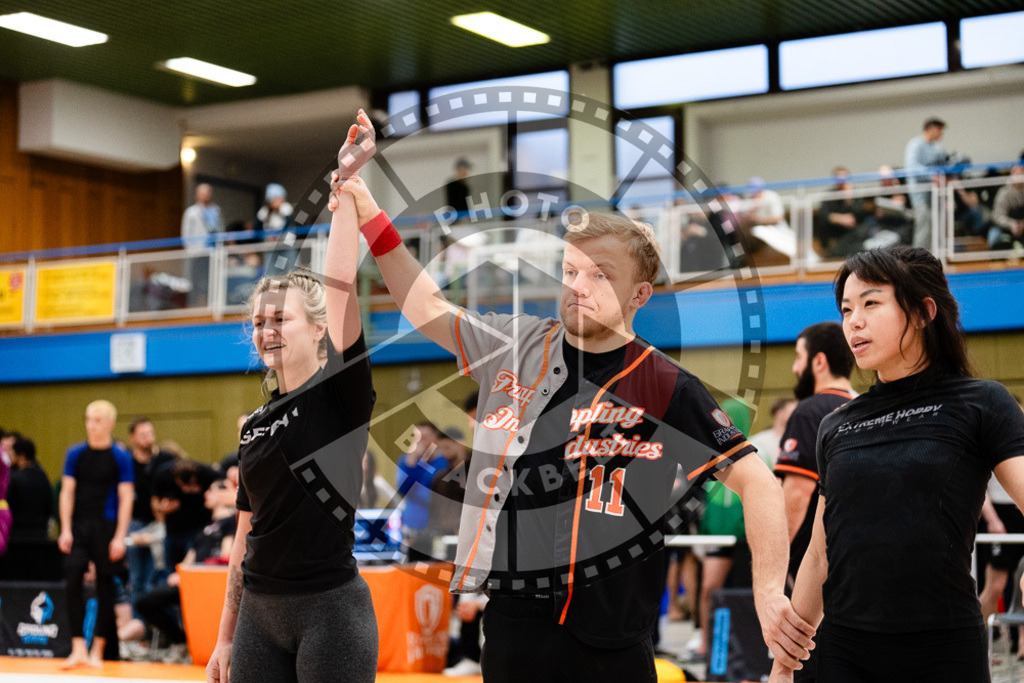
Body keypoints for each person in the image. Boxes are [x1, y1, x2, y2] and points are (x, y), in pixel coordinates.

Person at [330, 127, 812, 681]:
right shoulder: (514, 346)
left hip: (611, 639)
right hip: (514, 625)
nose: (578, 286)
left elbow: (758, 481)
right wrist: (367, 208)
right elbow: (425, 306)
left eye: (600, 276)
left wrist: (768, 591)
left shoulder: (666, 385)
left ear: (639, 295)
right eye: (570, 271)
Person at [770, 245, 1024, 682]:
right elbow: (820, 554)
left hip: (944, 651)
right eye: (846, 309)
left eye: (870, 303)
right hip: (845, 651)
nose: (854, 321)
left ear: (924, 312)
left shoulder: (982, 403)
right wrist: (783, 664)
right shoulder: (836, 424)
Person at [207, 110, 378, 683]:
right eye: (258, 322)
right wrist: (225, 635)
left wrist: (346, 189)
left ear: (319, 328)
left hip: (331, 612)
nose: (266, 330)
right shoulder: (253, 425)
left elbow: (340, 285)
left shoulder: (340, 395)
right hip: (258, 617)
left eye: (279, 318)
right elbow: (244, 535)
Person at [59, 400, 134, 669]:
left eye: (98, 420)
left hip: (107, 526)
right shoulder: (75, 453)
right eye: (89, 419)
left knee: (105, 585)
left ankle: (97, 650)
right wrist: (65, 529)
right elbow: (67, 492)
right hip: (79, 526)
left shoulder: (120, 456)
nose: (93, 425)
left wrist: (120, 536)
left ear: (110, 423)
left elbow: (126, 497)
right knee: (72, 579)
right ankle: (78, 646)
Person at [137, 477, 237, 664]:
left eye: (211, 490)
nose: (206, 494)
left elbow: (227, 555)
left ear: (224, 493)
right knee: (145, 601)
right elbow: (189, 558)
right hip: (191, 582)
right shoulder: (206, 527)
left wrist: (196, 573)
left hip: (210, 582)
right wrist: (182, 573)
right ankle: (181, 641)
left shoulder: (231, 522)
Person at [977, 396, 1024, 623]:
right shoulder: (991, 438)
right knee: (996, 585)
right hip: (999, 515)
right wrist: (992, 519)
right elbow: (979, 486)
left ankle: (1022, 640)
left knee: (1021, 584)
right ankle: (979, 635)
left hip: (1019, 510)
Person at [125, 417, 173, 607]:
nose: (148, 438)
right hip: (135, 522)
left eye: (150, 433)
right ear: (132, 438)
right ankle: (138, 622)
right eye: (143, 434)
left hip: (160, 524)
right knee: (136, 578)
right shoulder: (127, 462)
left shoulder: (165, 459)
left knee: (157, 575)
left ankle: (156, 620)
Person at [3, 435, 56, 580]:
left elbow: (7, 508)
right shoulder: (43, 477)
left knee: (16, 578)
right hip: (40, 536)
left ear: (21, 455)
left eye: (12, 452)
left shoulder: (14, 479)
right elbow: (49, 507)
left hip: (17, 538)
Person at [395, 421, 449, 561]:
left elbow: (433, 488)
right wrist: (412, 462)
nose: (421, 442)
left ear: (435, 438)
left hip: (437, 526)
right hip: (412, 526)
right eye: (417, 438)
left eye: (425, 437)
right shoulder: (406, 462)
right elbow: (403, 489)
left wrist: (423, 462)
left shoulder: (443, 461)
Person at [903, 117, 948, 250]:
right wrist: (931, 176)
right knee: (924, 225)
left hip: (935, 194)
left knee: (937, 226)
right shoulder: (915, 144)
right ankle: (918, 259)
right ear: (931, 129)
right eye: (939, 130)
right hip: (920, 193)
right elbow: (911, 166)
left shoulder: (937, 147)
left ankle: (935, 257)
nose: (941, 134)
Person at [181, 183, 223, 307]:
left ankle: (212, 304)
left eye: (207, 193)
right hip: (198, 252)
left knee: (212, 278)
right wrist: (191, 250)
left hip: (213, 252)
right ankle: (194, 305)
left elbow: (220, 229)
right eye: (202, 193)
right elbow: (186, 233)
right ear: (197, 195)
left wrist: (220, 248)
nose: (205, 195)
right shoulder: (191, 212)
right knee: (196, 279)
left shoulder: (216, 210)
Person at [748, 397, 798, 469]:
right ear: (779, 414)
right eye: (793, 411)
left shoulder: (797, 441)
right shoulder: (758, 441)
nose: (798, 415)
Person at [990, 164, 1024, 250]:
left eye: (1022, 171)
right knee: (994, 237)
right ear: (1011, 174)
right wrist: (1011, 224)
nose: (1019, 175)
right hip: (1006, 228)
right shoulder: (1004, 193)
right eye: (1016, 172)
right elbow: (997, 216)